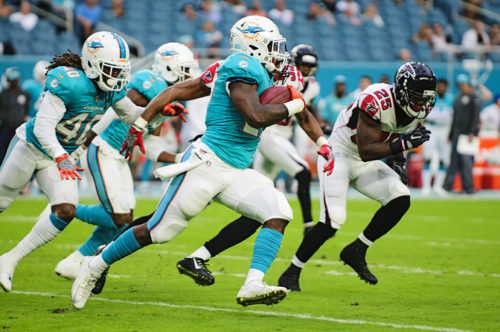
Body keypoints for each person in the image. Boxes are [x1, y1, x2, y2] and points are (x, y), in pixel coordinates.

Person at [71, 15, 333, 309]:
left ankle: (252, 284)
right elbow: (255, 115)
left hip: (236, 168)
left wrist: (322, 143)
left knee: (278, 211)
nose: (278, 53)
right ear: (253, 47)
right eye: (272, 46)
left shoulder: (274, 75)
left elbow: (302, 112)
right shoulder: (239, 67)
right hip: (207, 163)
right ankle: (94, 264)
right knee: (159, 231)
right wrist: (140, 123)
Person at [0, 31, 149, 293]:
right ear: (92, 64)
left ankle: (8, 260)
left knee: (66, 210)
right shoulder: (70, 83)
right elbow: (44, 128)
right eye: (111, 70)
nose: (117, 78)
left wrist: (161, 110)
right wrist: (61, 157)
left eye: (119, 71)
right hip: (32, 147)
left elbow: (131, 115)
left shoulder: (111, 91)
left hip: (59, 158)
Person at [278, 62, 437, 291]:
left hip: (366, 161)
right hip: (340, 154)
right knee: (332, 222)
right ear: (402, 91)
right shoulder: (376, 99)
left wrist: (399, 161)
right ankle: (291, 272)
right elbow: (366, 149)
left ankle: (357, 249)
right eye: (417, 97)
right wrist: (402, 145)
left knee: (400, 198)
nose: (422, 104)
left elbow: (395, 135)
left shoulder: (415, 109)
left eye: (426, 98)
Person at [53, 43, 197, 280]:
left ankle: (74, 262)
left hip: (119, 158)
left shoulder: (167, 97)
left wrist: (181, 158)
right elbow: (115, 108)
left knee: (122, 222)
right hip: (104, 149)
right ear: (169, 67)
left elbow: (149, 145)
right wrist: (86, 142)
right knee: (119, 217)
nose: (190, 76)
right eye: (185, 69)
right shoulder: (152, 82)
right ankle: (63, 207)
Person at [443, 74, 481, 194]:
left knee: (466, 162)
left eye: (464, 85)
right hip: (456, 134)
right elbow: (455, 120)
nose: (462, 87)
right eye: (460, 85)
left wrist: (472, 132)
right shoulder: (458, 99)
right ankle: (447, 186)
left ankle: (468, 188)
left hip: (467, 135)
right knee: (453, 161)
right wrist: (450, 135)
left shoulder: (474, 99)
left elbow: (475, 117)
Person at [421, 78, 453, 196]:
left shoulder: (450, 98)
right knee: (428, 157)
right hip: (432, 127)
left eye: (443, 86)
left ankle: (438, 186)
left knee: (443, 159)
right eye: (439, 86)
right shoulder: (430, 98)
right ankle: (426, 186)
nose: (441, 88)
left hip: (444, 129)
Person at [0, 67, 30, 164]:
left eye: (16, 79)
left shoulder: (25, 94)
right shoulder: (3, 94)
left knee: (19, 151)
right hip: (5, 129)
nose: (15, 81)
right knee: (3, 151)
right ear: (9, 80)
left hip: (19, 129)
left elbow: (25, 110)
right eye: (13, 80)